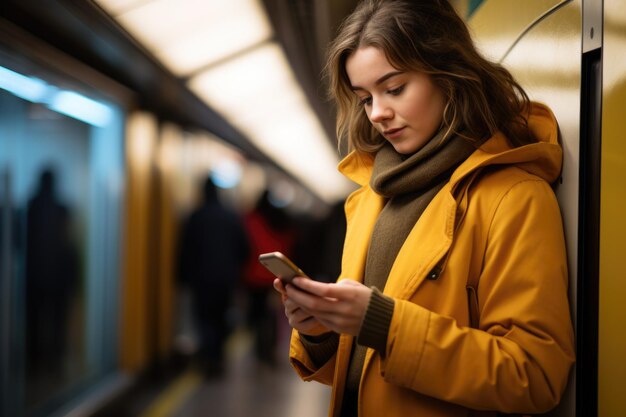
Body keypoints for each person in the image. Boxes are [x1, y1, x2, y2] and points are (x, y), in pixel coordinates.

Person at [272, 1, 575, 416]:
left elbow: (534, 376)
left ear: (449, 75)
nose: (378, 113)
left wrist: (384, 323)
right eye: (365, 98)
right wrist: (321, 331)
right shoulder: (371, 197)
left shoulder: (514, 197)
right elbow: (368, 369)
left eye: (394, 89)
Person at [178, 176, 249, 376]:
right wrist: (236, 271)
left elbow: (185, 249)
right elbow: (244, 248)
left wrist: (182, 277)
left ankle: (208, 358)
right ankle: (217, 358)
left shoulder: (195, 217)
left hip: (201, 280)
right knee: (221, 318)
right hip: (226, 279)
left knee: (204, 319)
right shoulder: (231, 216)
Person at [242, 190, 295, 365]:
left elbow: (245, 246)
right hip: (276, 274)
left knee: (258, 315)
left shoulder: (251, 219)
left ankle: (260, 350)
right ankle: (270, 349)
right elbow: (289, 244)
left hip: (253, 277)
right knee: (273, 315)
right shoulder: (282, 219)